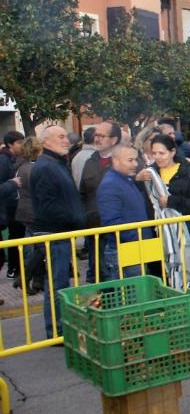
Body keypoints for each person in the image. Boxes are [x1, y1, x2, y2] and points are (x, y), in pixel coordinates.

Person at [31, 125, 84, 338]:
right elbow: (48, 206)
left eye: (65, 136)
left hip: (61, 234)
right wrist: (71, 220)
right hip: (54, 235)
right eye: (60, 137)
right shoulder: (45, 167)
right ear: (46, 142)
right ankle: (56, 331)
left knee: (60, 282)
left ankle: (61, 328)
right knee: (56, 283)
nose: (66, 140)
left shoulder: (57, 163)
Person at [97, 145, 153, 280]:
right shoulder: (110, 185)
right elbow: (111, 222)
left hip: (135, 247)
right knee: (131, 295)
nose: (135, 164)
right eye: (130, 160)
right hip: (126, 249)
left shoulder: (124, 180)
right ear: (116, 161)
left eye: (135, 160)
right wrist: (136, 236)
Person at [78, 122, 122, 282]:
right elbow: (83, 193)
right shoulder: (90, 161)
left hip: (118, 230)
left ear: (114, 139)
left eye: (101, 136)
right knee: (98, 272)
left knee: (116, 275)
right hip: (94, 227)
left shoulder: (124, 160)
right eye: (95, 135)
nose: (96, 139)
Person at [13, 138, 43, 295]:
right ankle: (25, 277)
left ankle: (34, 279)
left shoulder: (21, 166)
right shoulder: (32, 169)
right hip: (34, 212)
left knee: (35, 247)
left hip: (25, 211)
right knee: (40, 248)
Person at [149, 135, 190, 217]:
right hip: (160, 227)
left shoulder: (187, 171)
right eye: (154, 153)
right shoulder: (150, 173)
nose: (157, 157)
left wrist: (171, 201)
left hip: (186, 226)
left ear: (172, 152)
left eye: (161, 153)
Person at [1, 130, 25, 279]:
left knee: (17, 236)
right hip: (8, 207)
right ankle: (13, 268)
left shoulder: (12, 159)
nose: (22, 146)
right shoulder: (3, 160)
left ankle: (15, 268)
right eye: (19, 143)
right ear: (10, 144)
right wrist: (12, 184)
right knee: (15, 236)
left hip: (11, 205)